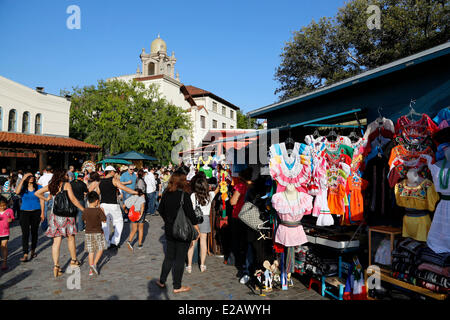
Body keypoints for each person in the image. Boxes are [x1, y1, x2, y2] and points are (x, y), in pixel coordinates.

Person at [35, 169, 85, 277]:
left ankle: (56, 266)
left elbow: (37, 193)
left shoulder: (52, 185)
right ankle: (73, 260)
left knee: (56, 242)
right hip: (67, 216)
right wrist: (84, 209)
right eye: (66, 174)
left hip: (55, 216)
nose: (68, 176)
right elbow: (73, 200)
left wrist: (47, 198)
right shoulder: (66, 185)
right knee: (71, 238)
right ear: (63, 175)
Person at [155, 172, 200, 293]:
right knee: (180, 258)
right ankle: (177, 286)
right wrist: (196, 228)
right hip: (182, 230)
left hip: (170, 229)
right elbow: (191, 215)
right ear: (182, 181)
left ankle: (162, 281)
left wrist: (168, 221)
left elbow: (160, 210)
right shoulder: (184, 196)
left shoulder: (166, 194)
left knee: (169, 257)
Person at [95, 166, 138, 249]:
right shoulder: (114, 180)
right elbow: (124, 188)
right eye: (114, 172)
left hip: (103, 205)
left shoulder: (100, 182)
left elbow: (97, 193)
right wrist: (135, 192)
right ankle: (114, 241)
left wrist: (97, 205)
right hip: (113, 205)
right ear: (111, 172)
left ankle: (106, 243)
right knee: (119, 222)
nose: (115, 173)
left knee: (105, 224)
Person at [186, 174, 219, 273]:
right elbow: (217, 190)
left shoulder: (193, 195)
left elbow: (191, 209)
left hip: (194, 219)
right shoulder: (209, 195)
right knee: (203, 242)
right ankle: (203, 265)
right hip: (205, 219)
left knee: (192, 242)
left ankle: (189, 265)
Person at [229, 167, 253, 284]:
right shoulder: (252, 186)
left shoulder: (240, 186)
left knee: (238, 242)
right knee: (246, 242)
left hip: (238, 216)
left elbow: (233, 201)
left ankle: (239, 263)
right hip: (249, 217)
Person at [15, 173, 45, 262]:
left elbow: (42, 200)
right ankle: (25, 253)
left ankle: (33, 251)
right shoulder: (23, 188)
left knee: (34, 232)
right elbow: (16, 192)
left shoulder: (39, 187)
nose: (31, 178)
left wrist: (43, 213)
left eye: (32, 176)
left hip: (36, 212)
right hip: (24, 213)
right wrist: (23, 179)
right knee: (25, 234)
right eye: (28, 177)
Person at [82, 191, 107, 276]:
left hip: (88, 233)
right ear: (97, 201)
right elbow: (104, 220)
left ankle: (91, 268)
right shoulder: (99, 210)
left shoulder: (85, 210)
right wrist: (102, 211)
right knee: (100, 249)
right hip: (98, 232)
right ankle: (94, 264)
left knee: (91, 251)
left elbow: (84, 221)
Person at [0, 196, 14, 270]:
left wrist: (11, 220)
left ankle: (4, 262)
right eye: (1, 206)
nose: (2, 207)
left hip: (5, 232)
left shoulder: (9, 211)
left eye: (4, 205)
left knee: (4, 246)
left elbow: (12, 218)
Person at [38, 165, 53, 231]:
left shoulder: (42, 177)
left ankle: (44, 226)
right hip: (52, 193)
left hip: (44, 193)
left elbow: (39, 184)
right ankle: (54, 225)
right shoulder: (54, 176)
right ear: (52, 170)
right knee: (54, 210)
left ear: (45, 170)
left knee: (44, 210)